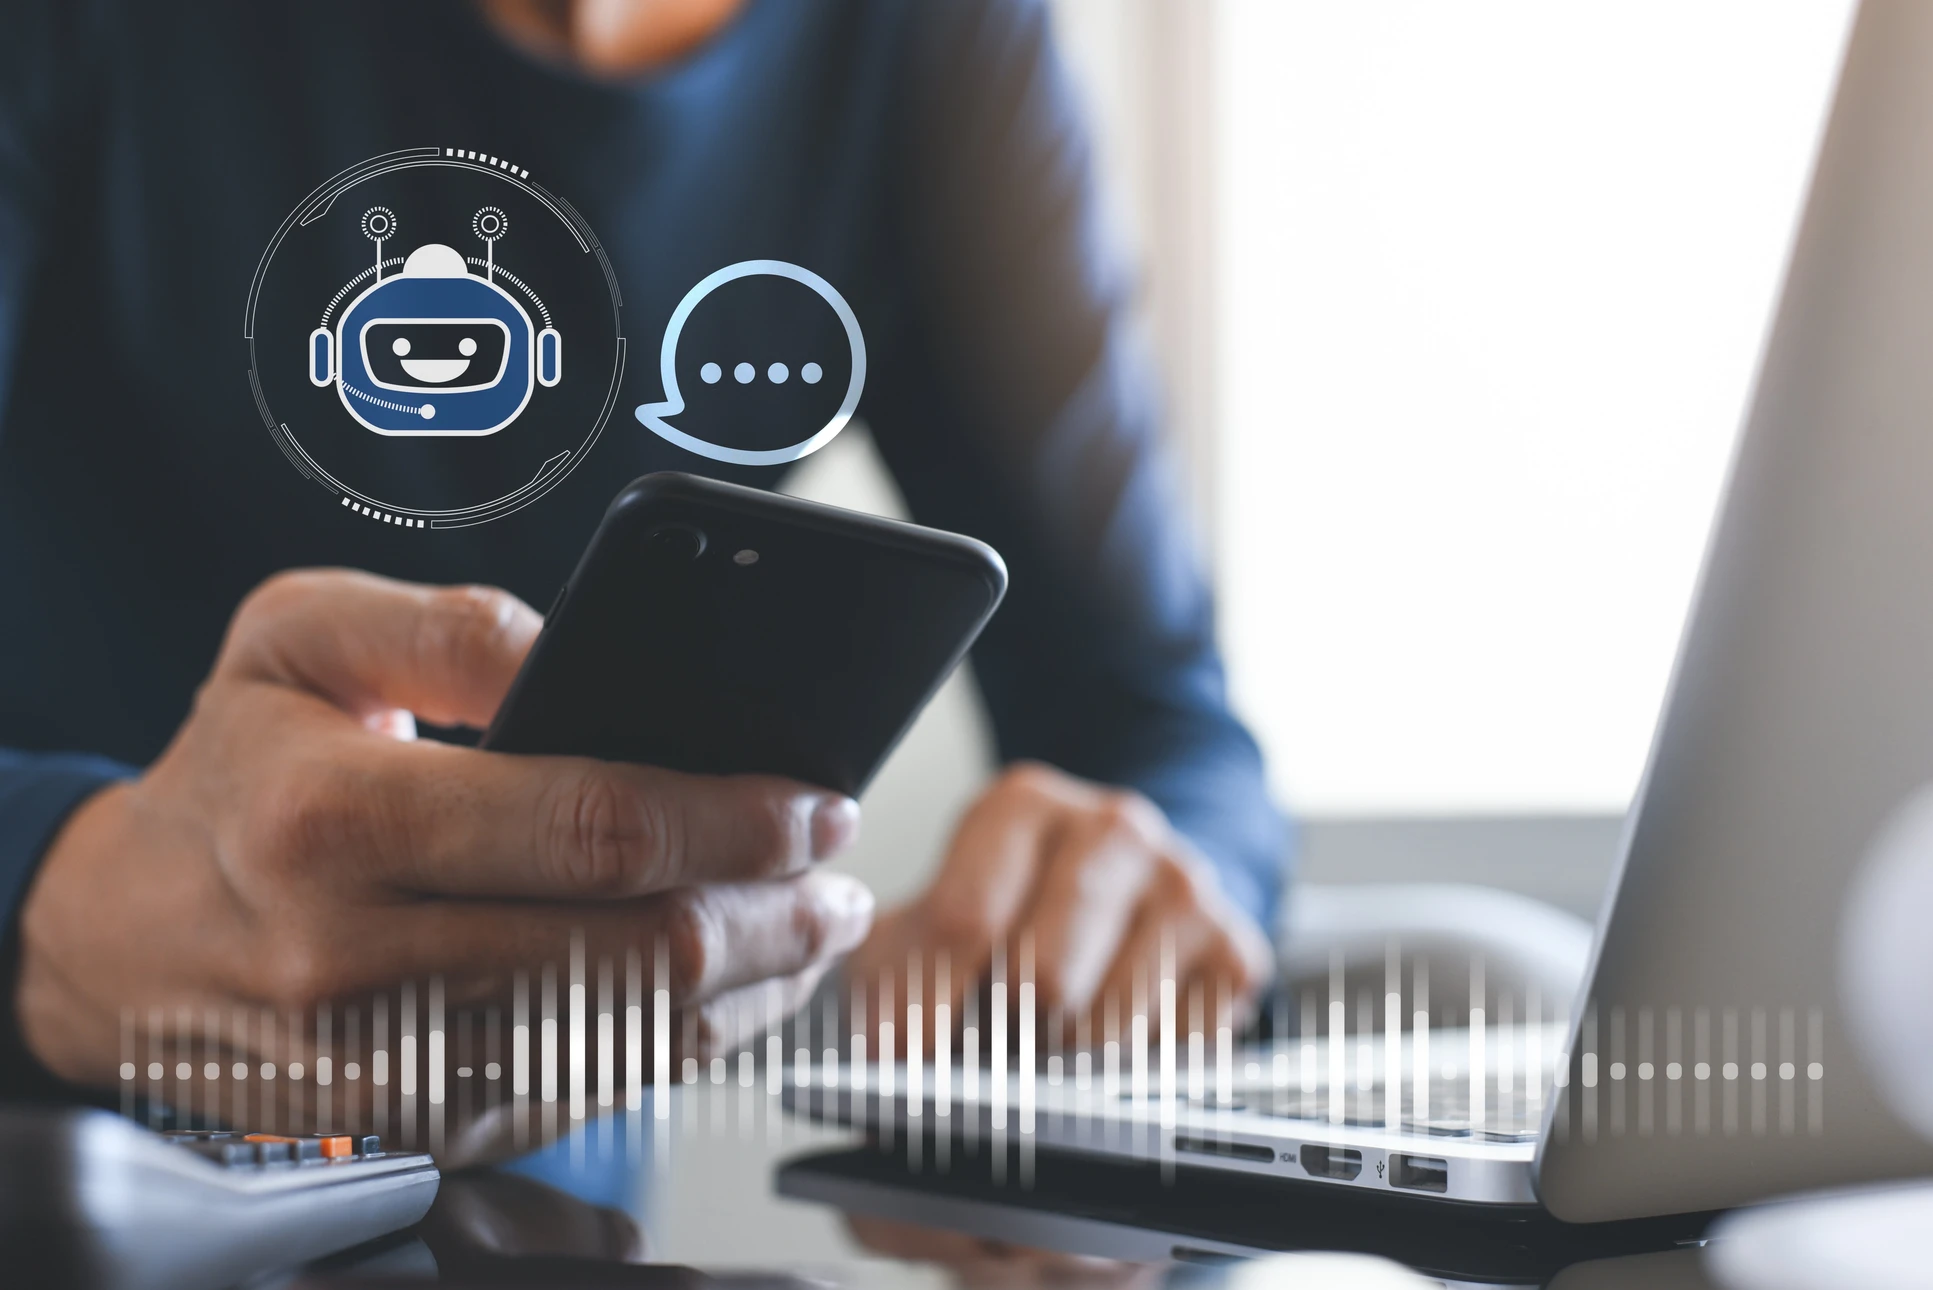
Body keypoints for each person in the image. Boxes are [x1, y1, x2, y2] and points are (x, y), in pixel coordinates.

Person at [0, 0, 1284, 1138]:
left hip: (543, 1180)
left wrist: (1140, 892)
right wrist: (58, 900)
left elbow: (1163, 724)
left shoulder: (930, 35)